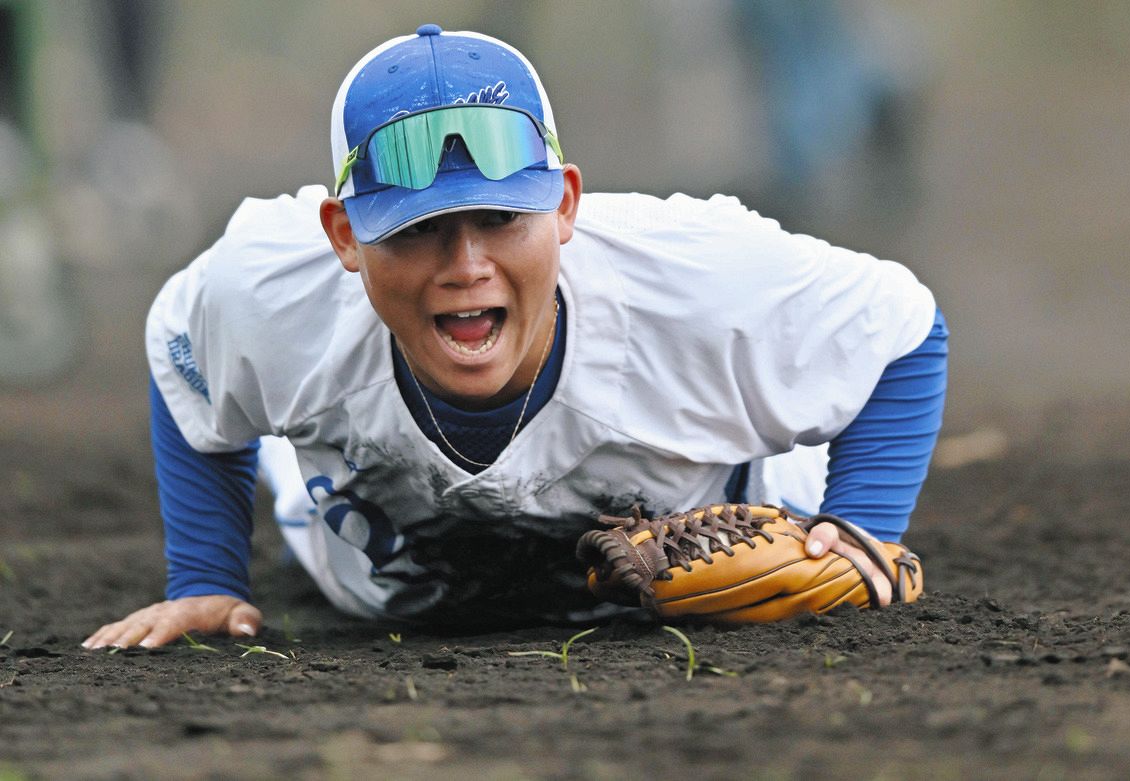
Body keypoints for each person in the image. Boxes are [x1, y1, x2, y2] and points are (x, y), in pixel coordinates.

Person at [84, 24, 946, 648]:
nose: (467, 265)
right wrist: (206, 577)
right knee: (287, 419)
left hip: (725, 518)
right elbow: (184, 353)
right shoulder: (266, 291)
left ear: (565, 204)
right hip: (373, 588)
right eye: (417, 228)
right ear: (343, 234)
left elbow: (903, 329)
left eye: (501, 218)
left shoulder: (701, 274)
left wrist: (859, 528)